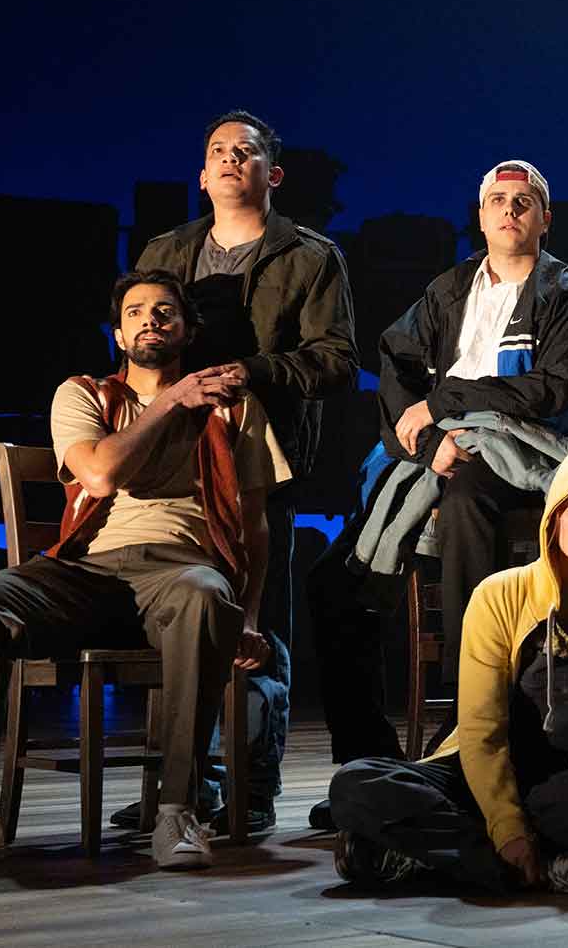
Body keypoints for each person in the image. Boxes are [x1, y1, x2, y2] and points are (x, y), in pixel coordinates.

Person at [0, 271, 291, 871]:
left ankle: (177, 812)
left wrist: (248, 616)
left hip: (182, 571)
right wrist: (171, 401)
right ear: (119, 333)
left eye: (166, 311)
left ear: (189, 330)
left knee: (205, 597)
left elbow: (256, 524)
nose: (151, 320)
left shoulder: (236, 407)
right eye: (137, 311)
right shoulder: (85, 395)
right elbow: (99, 475)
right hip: (90, 571)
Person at [309, 160, 568, 780]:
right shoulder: (449, 290)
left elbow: (550, 392)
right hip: (434, 454)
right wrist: (424, 446)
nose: (509, 211)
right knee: (332, 583)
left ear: (545, 219)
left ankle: (467, 702)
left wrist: (445, 406)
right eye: (497, 200)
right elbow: (396, 366)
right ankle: (364, 759)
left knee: (468, 493)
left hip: (520, 455)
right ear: (480, 216)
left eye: (524, 202)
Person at [325, 447, 568, 897]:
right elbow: (481, 731)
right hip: (482, 771)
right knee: (355, 784)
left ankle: (421, 856)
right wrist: (508, 831)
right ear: (553, 518)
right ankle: (527, 863)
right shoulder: (499, 595)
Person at [130, 109, 358, 833]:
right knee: (174, 618)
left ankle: (253, 785)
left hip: (265, 453)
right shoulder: (166, 249)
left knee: (257, 624)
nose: (232, 160)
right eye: (218, 152)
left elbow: (336, 361)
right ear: (202, 174)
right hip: (175, 457)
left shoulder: (311, 255)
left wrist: (254, 369)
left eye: (247, 152)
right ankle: (178, 784)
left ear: (272, 173)